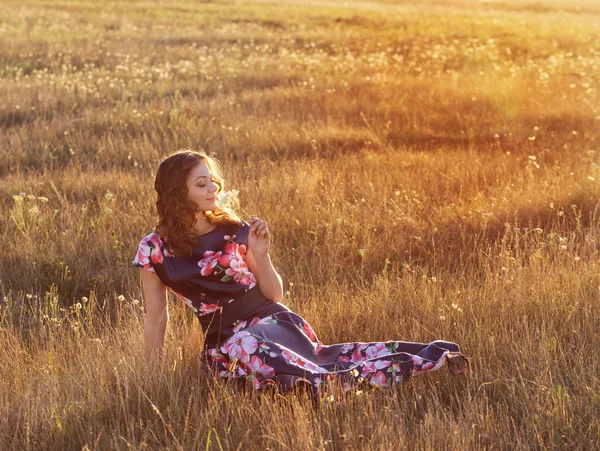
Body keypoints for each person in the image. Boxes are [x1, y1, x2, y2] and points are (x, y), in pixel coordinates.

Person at [133, 150, 469, 396]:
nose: (213, 190)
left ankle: (422, 359)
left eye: (213, 181)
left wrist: (261, 257)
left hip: (270, 322)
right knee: (243, 355)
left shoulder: (235, 229)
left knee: (318, 356)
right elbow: (155, 317)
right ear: (179, 192)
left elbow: (274, 294)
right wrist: (150, 376)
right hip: (222, 341)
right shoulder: (152, 249)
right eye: (202, 184)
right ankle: (321, 384)